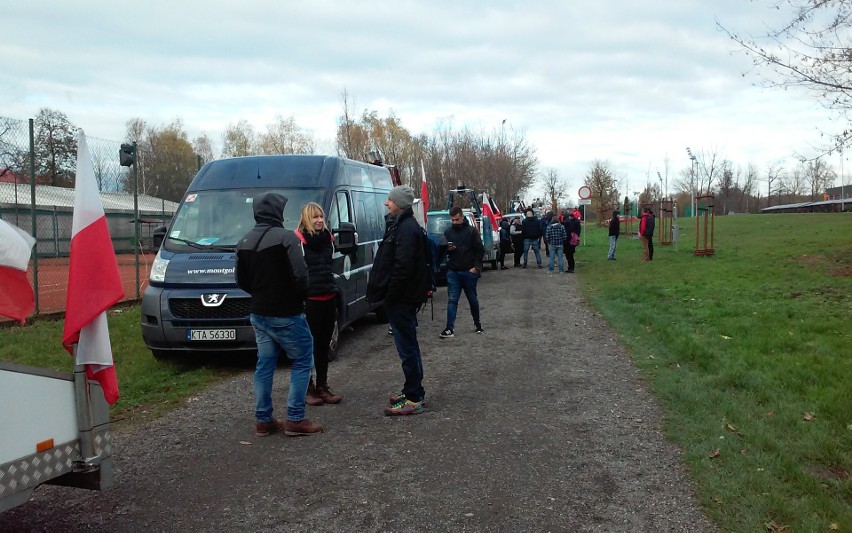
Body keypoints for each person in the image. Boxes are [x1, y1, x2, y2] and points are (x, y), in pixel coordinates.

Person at [235, 192, 323, 437]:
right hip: (286, 312)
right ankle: (295, 418)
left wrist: (261, 293)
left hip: (259, 313)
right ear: (276, 211)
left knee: (264, 365)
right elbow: (301, 275)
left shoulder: (243, 241)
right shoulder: (286, 238)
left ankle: (263, 420)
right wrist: (299, 296)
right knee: (304, 358)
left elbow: (240, 280)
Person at [367, 185, 430, 416]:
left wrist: (390, 295)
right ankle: (414, 390)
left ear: (400, 203)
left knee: (407, 347)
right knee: (409, 345)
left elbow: (402, 267)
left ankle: (413, 398)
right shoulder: (403, 225)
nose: (386, 203)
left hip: (402, 299)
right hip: (403, 297)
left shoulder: (406, 228)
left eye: (390, 200)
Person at [295, 202, 343, 407]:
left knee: (323, 345)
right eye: (314, 217)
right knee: (308, 346)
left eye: (321, 216)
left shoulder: (328, 239)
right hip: (310, 300)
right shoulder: (298, 241)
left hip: (328, 296)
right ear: (306, 218)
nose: (319, 220)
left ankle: (322, 385)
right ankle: (308, 387)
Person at [440, 206, 485, 338]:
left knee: (472, 299)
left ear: (462, 217)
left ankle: (477, 324)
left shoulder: (471, 231)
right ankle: (449, 328)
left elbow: (479, 250)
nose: (454, 222)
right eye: (452, 220)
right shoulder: (448, 232)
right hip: (453, 271)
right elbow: (443, 250)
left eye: (456, 219)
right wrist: (448, 249)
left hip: (468, 271)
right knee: (452, 300)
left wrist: (476, 267)